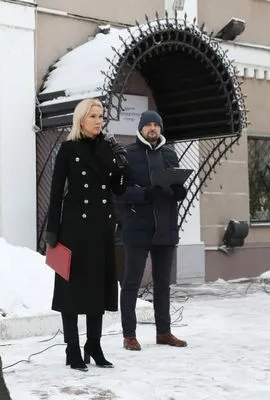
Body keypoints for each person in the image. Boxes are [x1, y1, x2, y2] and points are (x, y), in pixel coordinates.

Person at [45, 98, 127, 371]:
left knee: (97, 289)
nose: (98, 120)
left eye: (101, 115)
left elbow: (119, 188)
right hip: (73, 230)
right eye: (93, 115)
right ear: (81, 119)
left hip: (101, 228)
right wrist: (52, 230)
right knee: (71, 292)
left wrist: (121, 164)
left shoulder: (107, 148)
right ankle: (72, 349)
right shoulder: (68, 149)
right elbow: (56, 192)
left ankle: (94, 344)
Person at [119, 110, 188, 351]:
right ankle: (129, 335)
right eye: (148, 125)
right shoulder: (128, 154)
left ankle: (164, 332)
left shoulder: (170, 154)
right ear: (140, 128)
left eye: (156, 125)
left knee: (162, 284)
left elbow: (176, 185)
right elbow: (120, 192)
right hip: (138, 227)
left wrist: (180, 191)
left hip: (165, 227)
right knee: (131, 282)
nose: (152, 129)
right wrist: (145, 193)